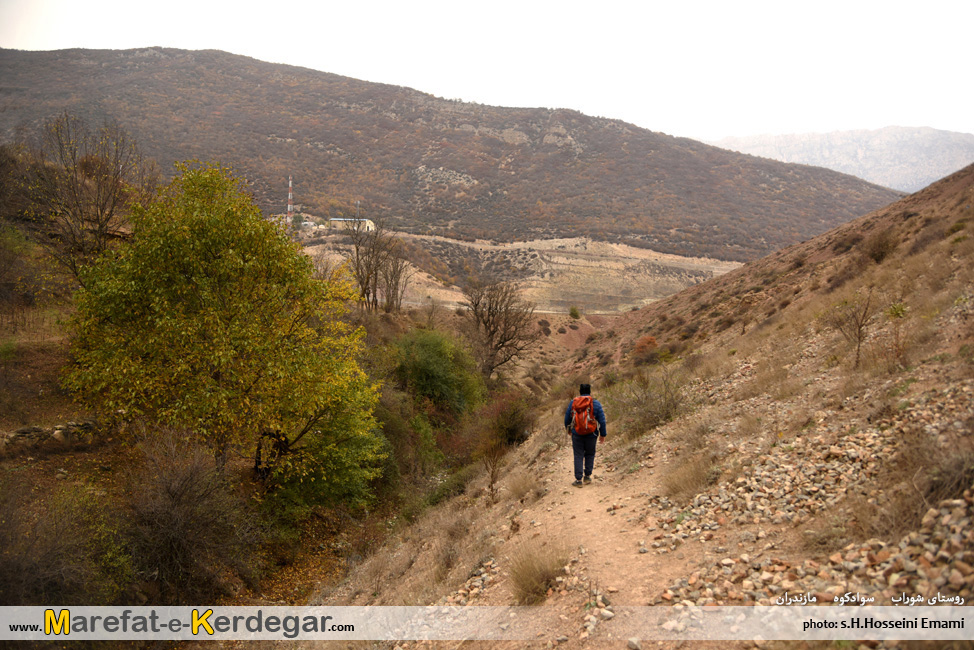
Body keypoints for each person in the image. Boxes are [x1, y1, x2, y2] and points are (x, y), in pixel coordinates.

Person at [564, 383, 607, 486]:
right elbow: (602, 421)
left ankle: (578, 480)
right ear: (590, 391)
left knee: (578, 455)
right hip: (592, 434)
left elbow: (567, 418)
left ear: (580, 391)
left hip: (577, 433)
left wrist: (568, 429)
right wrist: (603, 434)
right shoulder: (595, 403)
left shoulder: (573, 402)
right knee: (590, 454)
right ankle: (587, 477)